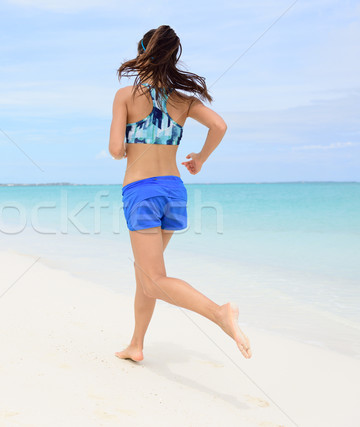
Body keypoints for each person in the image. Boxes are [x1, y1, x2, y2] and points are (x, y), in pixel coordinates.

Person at [109, 25, 252, 362]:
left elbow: (116, 150)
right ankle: (136, 345)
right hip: (174, 191)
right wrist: (200, 158)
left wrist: (127, 146)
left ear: (143, 51)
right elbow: (219, 125)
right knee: (147, 276)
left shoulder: (126, 96)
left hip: (142, 192)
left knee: (154, 278)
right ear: (173, 58)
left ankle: (220, 312)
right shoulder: (183, 100)